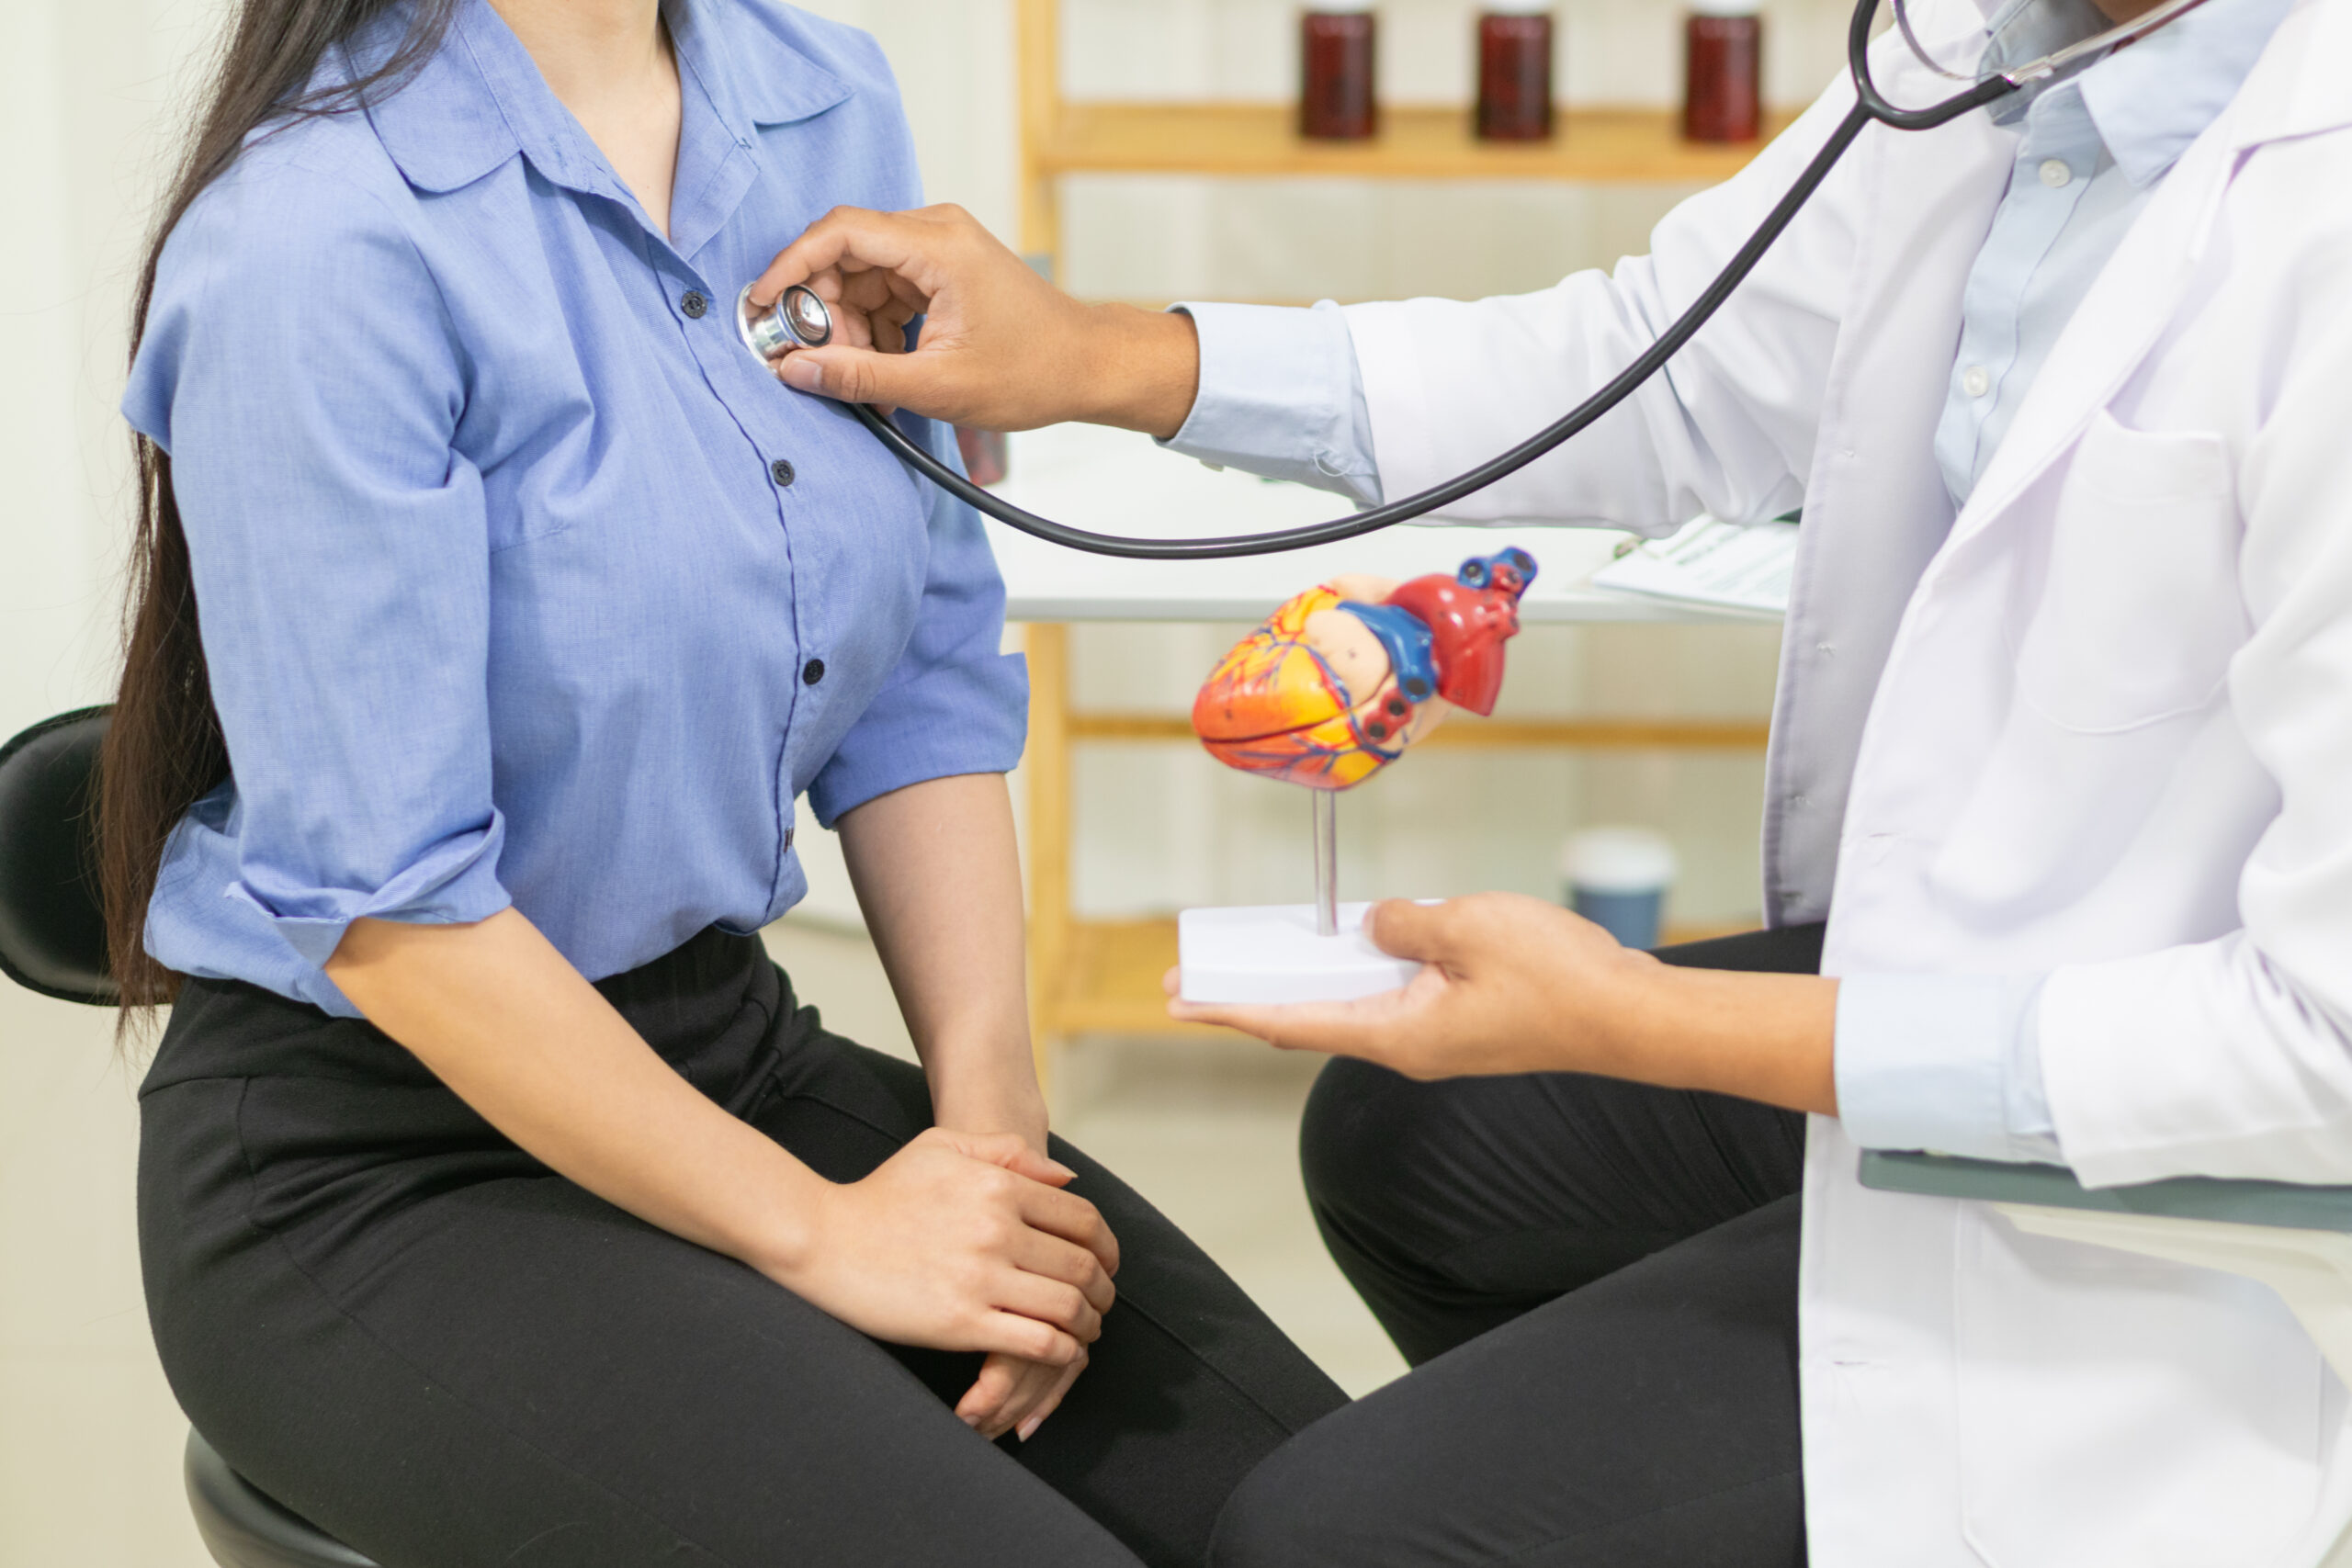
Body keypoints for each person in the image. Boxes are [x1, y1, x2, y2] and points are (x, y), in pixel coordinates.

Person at [748, 0, 2352, 1556]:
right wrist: (1107, 354)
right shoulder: (1987, 60)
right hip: (1983, 967)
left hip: (2214, 1152)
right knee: (1415, 1144)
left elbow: (2322, 1057)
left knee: (1325, 1533)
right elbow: (1657, 369)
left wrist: (1633, 1018)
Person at [105, 2, 1346, 1564]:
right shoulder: (316, 239)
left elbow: (920, 672)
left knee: (1351, 1518)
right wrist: (833, 1232)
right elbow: (391, 911)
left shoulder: (817, 97)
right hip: (382, 1162)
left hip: (724, 1051)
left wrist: (994, 1143)